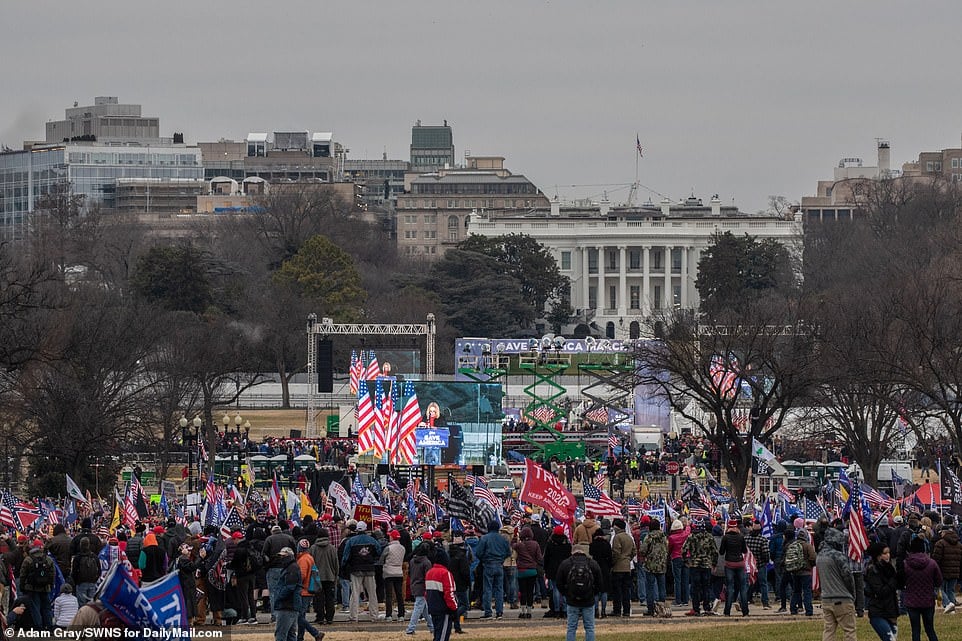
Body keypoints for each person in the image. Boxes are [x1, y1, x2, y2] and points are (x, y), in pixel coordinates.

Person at [816, 527, 857, 641]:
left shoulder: (819, 556)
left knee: (829, 630)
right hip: (842, 598)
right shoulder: (838, 556)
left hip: (826, 598)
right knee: (849, 630)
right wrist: (853, 595)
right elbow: (848, 577)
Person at [556, 547, 603, 641]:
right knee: (589, 628)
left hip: (572, 600)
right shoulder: (592, 563)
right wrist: (592, 594)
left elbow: (559, 582)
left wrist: (566, 594)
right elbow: (600, 583)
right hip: (588, 600)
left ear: (573, 552)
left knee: (571, 628)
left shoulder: (566, 564)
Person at [340, 521, 381, 623]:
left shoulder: (351, 541)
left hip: (356, 569)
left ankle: (354, 616)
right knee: (372, 594)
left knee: (355, 593)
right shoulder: (372, 540)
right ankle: (374, 615)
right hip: (369, 569)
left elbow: (345, 556)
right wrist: (372, 560)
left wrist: (344, 566)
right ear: (365, 529)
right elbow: (379, 551)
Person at [902, 536, 941, 641]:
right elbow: (939, 581)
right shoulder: (932, 563)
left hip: (911, 601)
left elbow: (901, 581)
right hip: (928, 600)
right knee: (930, 629)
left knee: (915, 630)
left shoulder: (905, 564)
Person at [474, 520, 511, 619]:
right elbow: (509, 552)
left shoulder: (484, 538)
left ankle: (488, 612)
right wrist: (501, 558)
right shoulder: (503, 539)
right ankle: (499, 612)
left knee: (488, 589)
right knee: (499, 589)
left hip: (488, 564)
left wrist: (484, 559)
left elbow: (478, 552)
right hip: (499, 565)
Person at [681, 518, 718, 616]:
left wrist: (686, 561)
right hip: (706, 565)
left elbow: (684, 550)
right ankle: (707, 607)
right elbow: (715, 552)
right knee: (706, 587)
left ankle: (696, 608)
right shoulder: (709, 537)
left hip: (694, 565)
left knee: (695, 588)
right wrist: (714, 563)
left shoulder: (691, 537)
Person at [864, 542, 901, 641]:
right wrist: (893, 581)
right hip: (878, 611)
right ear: (878, 555)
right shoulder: (873, 570)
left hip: (891, 610)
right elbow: (880, 591)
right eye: (885, 553)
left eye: (888, 553)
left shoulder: (890, 568)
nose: (888, 555)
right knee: (890, 639)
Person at [273, 548, 308, 641]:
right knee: (291, 635)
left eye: (283, 556)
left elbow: (290, 587)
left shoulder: (292, 568)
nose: (281, 558)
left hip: (287, 605)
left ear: (289, 556)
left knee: (281, 634)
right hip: (291, 605)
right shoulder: (291, 567)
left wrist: (278, 597)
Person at [425, 547, 459, 641]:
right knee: (443, 636)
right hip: (444, 609)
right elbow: (449, 593)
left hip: (433, 608)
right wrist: (454, 608)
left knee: (437, 634)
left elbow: (426, 593)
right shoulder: (445, 573)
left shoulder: (429, 572)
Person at [21, 539, 55, 630]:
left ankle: (38, 627)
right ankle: (49, 625)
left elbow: (23, 574)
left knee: (35, 608)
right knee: (47, 607)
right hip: (45, 587)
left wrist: (22, 586)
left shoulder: (28, 559)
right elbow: (52, 574)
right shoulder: (48, 559)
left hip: (32, 588)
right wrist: (51, 585)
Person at [718, 518, 749, 617]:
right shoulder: (741, 537)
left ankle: (727, 611)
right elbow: (745, 551)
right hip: (739, 562)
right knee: (743, 587)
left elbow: (721, 551)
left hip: (729, 564)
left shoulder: (725, 537)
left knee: (730, 588)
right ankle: (745, 611)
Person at [639, 517, 669, 617]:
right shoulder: (664, 537)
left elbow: (642, 550)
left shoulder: (649, 537)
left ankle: (651, 609)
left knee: (650, 588)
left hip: (650, 565)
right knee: (662, 588)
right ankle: (662, 608)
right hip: (661, 565)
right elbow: (667, 548)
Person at [309, 528, 338, 626]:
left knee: (318, 598)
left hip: (317, 577)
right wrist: (335, 575)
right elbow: (336, 563)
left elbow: (310, 563)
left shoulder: (313, 548)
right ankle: (330, 618)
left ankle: (320, 617)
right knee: (330, 598)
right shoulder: (332, 548)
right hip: (330, 576)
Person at [513, 525, 544, 620]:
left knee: (523, 592)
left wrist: (515, 537)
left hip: (522, 570)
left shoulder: (519, 545)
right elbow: (539, 558)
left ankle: (522, 612)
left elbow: (512, 545)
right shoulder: (535, 544)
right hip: (532, 571)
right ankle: (529, 612)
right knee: (530, 592)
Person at [930, 520, 961, 613]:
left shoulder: (940, 543)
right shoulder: (959, 544)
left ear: (944, 532)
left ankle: (948, 604)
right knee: (951, 590)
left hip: (942, 570)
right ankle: (952, 608)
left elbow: (936, 558)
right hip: (955, 570)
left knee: (940, 589)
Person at [295, 539, 323, 641]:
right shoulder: (309, 558)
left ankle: (315, 633)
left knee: (298, 616)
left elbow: (302, 576)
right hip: (308, 590)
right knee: (301, 616)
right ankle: (300, 637)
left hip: (303, 591)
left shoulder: (302, 560)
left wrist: (295, 584)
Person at [542, 525, 572, 618]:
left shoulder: (550, 543)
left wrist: (546, 569)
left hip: (553, 569)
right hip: (565, 569)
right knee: (564, 590)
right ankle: (564, 609)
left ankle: (557, 609)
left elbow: (546, 557)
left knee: (555, 589)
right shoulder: (567, 543)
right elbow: (569, 557)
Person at [406, 541, 435, 635]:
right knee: (418, 608)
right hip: (423, 587)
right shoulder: (427, 562)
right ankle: (410, 628)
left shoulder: (412, 560)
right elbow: (429, 576)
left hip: (414, 585)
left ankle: (432, 627)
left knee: (425, 609)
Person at [445, 531, 472, 634]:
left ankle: (457, 627)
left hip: (451, 582)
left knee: (456, 604)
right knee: (464, 605)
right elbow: (465, 572)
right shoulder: (462, 556)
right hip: (461, 583)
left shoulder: (448, 555)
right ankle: (454, 617)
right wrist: (468, 582)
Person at [609, 518, 636, 617]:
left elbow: (616, 552)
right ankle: (626, 610)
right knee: (626, 591)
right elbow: (634, 551)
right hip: (627, 566)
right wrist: (628, 559)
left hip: (618, 567)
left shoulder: (617, 537)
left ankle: (617, 610)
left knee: (617, 591)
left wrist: (613, 563)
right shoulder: (629, 537)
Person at [381, 530, 406, 623]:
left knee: (389, 595)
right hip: (399, 572)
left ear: (391, 537)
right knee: (399, 595)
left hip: (388, 572)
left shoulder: (388, 548)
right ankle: (401, 615)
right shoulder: (402, 548)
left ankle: (389, 615)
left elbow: (382, 559)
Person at [587, 528, 612, 618]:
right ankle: (604, 610)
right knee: (604, 591)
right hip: (605, 568)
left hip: (595, 567)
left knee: (596, 591)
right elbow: (610, 557)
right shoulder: (607, 544)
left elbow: (590, 554)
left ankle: (596, 610)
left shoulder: (592, 545)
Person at [71, 538, 102, 606]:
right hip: (92, 583)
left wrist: (76, 582)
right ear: (89, 545)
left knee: (82, 605)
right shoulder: (94, 556)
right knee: (91, 605)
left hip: (81, 583)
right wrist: (94, 580)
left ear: (80, 545)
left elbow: (74, 572)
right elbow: (99, 570)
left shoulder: (77, 557)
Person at [667, 519, 690, 608]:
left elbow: (670, 549)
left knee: (677, 580)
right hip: (686, 557)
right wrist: (687, 524)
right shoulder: (686, 534)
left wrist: (668, 556)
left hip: (676, 557)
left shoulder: (671, 538)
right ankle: (686, 600)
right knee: (686, 580)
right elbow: (688, 529)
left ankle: (678, 600)